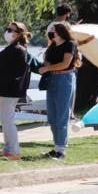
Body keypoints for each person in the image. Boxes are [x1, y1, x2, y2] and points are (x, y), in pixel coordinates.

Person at [0, 21, 34, 160]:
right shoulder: (15, 49)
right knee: (6, 120)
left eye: (11, 30)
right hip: (7, 90)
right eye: (8, 29)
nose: (8, 32)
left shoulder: (17, 50)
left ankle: (13, 151)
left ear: (19, 34)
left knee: (7, 121)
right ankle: (8, 148)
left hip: (8, 90)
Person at [39, 22, 79, 160]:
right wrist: (45, 66)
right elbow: (47, 63)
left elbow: (65, 64)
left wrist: (47, 68)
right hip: (52, 80)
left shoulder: (70, 44)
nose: (51, 32)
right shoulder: (52, 46)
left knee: (62, 116)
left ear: (61, 32)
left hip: (64, 79)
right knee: (52, 117)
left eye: (53, 30)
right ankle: (56, 148)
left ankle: (61, 151)